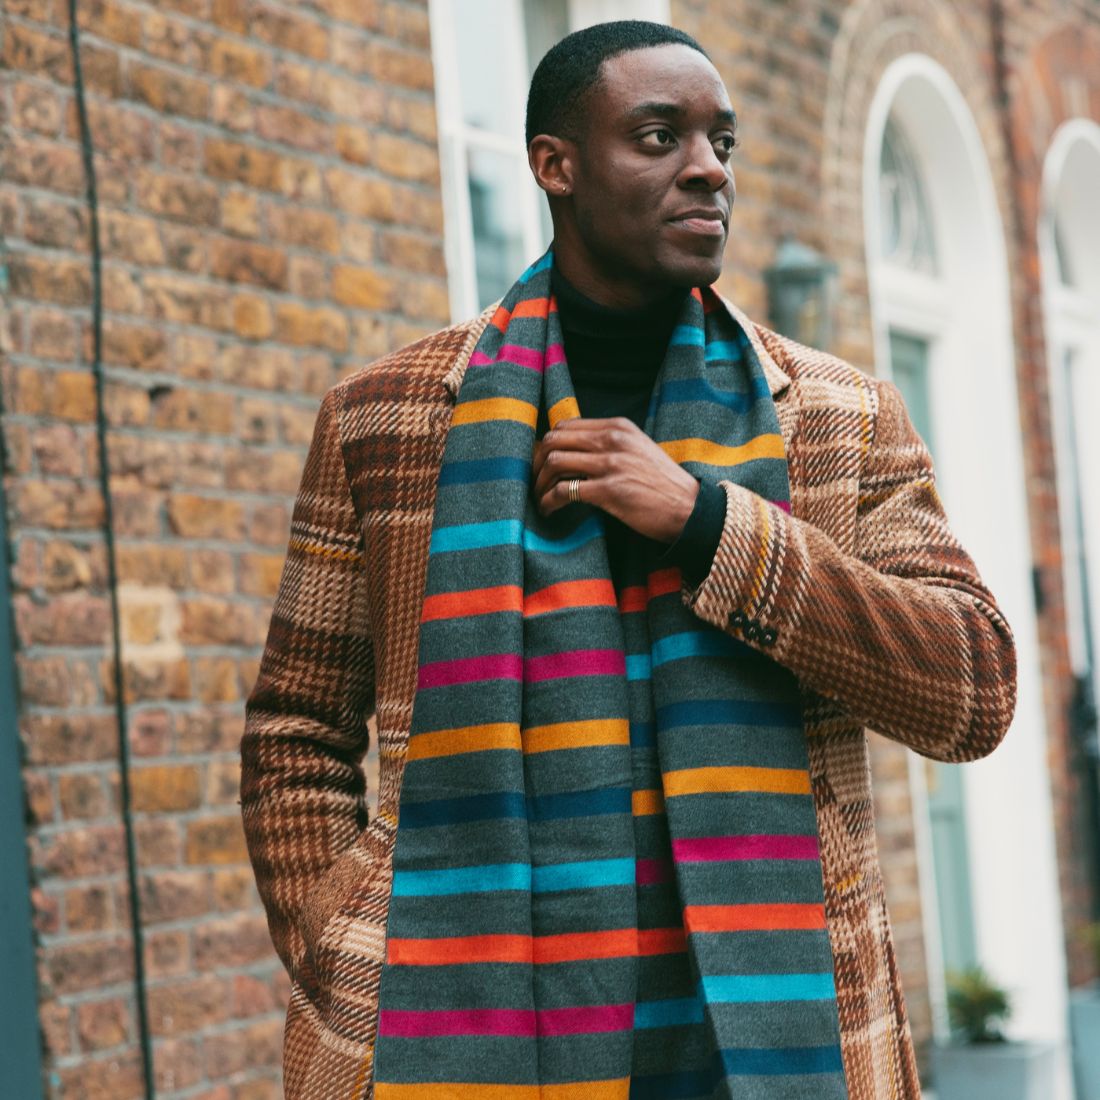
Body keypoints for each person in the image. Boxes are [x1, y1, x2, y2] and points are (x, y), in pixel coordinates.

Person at [241, 20, 1016, 1100]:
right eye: (657, 136)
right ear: (555, 165)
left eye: (719, 141)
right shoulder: (387, 421)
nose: (705, 167)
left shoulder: (837, 418)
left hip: (767, 1035)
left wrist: (707, 524)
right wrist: (340, 940)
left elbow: (971, 689)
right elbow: (295, 730)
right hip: (457, 1034)